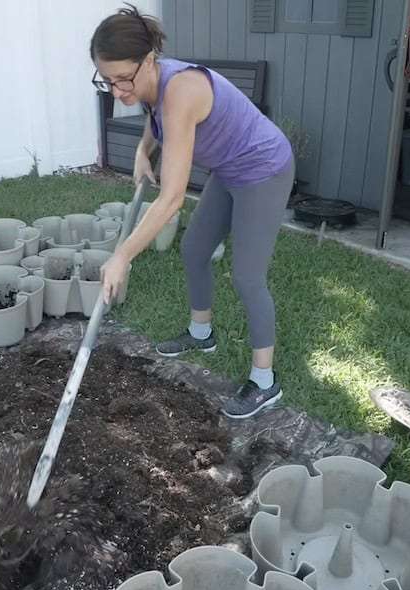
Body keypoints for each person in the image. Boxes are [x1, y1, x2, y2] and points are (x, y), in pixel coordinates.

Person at [90, 5, 294, 419]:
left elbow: (171, 199)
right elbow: (155, 111)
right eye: (106, 81)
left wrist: (122, 256)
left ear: (149, 61)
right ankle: (202, 333)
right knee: (195, 249)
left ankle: (264, 380)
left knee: (247, 276)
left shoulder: (182, 88)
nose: (117, 92)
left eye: (123, 79)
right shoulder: (152, 82)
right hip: (229, 168)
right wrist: (143, 150)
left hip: (263, 169)